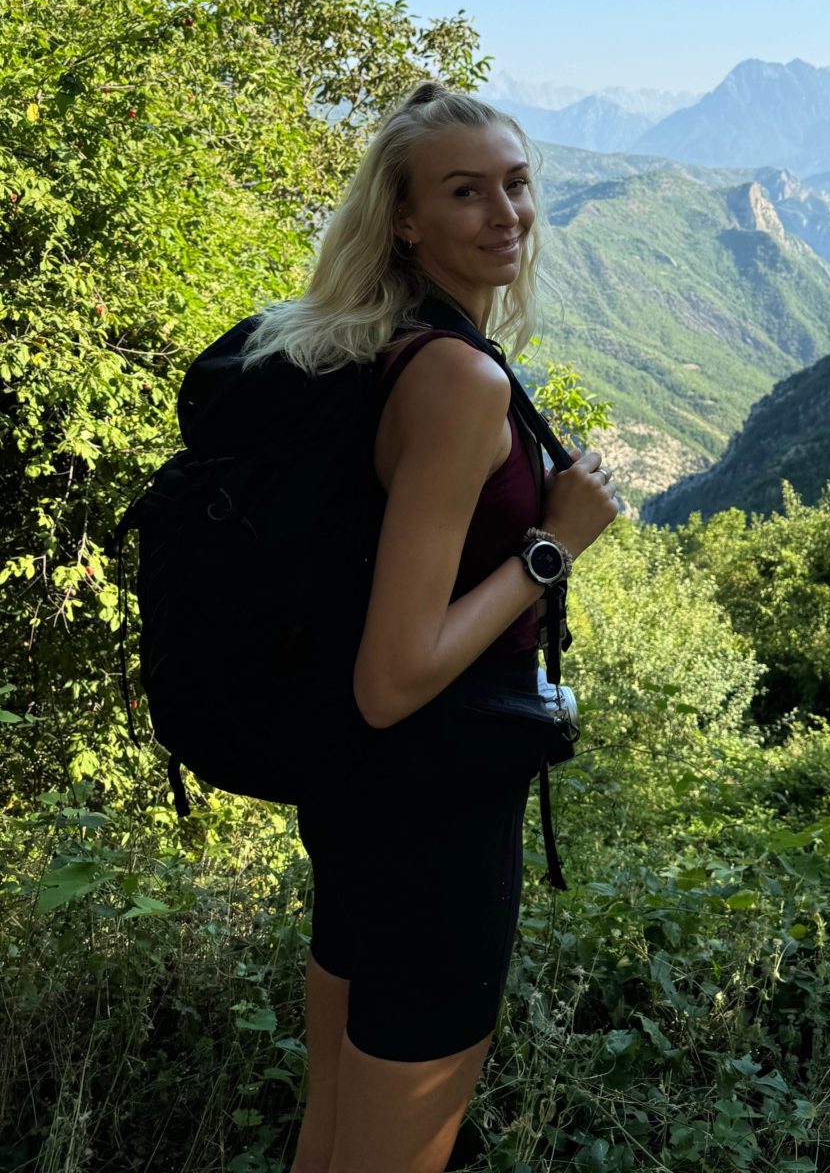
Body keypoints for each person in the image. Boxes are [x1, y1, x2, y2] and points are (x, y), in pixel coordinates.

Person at [242, 80, 620, 1173]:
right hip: (434, 818)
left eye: (517, 183)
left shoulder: (360, 343)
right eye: (467, 192)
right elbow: (393, 675)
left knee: (329, 1137)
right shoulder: (456, 379)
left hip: (357, 803)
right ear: (405, 219)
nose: (507, 213)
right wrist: (551, 548)